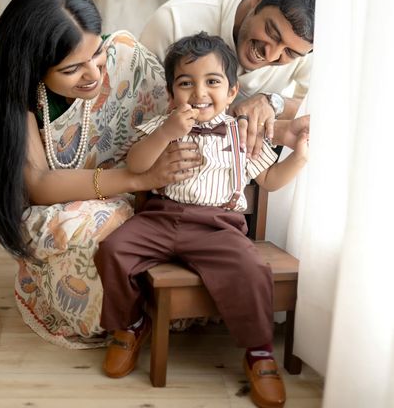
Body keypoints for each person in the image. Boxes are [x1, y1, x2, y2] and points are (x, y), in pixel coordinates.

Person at [0, 0, 202, 347]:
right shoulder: (16, 101)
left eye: (96, 54)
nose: (94, 74)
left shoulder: (124, 57)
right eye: (72, 69)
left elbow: (188, 103)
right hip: (73, 207)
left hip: (146, 190)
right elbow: (40, 184)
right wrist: (132, 179)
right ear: (33, 68)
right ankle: (125, 321)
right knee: (80, 232)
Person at [94, 33, 308, 407]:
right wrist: (167, 132)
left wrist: (299, 158)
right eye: (185, 83)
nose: (199, 92)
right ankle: (129, 326)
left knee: (250, 268)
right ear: (171, 92)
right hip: (160, 219)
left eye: (212, 82)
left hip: (218, 226)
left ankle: (259, 353)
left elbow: (270, 180)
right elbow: (137, 166)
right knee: (113, 249)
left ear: (232, 91)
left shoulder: (241, 135)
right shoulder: (165, 125)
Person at [139, 0, 316, 158]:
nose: (271, 55)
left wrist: (273, 102)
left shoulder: (308, 46)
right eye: (272, 33)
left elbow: (320, 114)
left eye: (290, 53)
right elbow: (137, 120)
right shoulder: (173, 22)